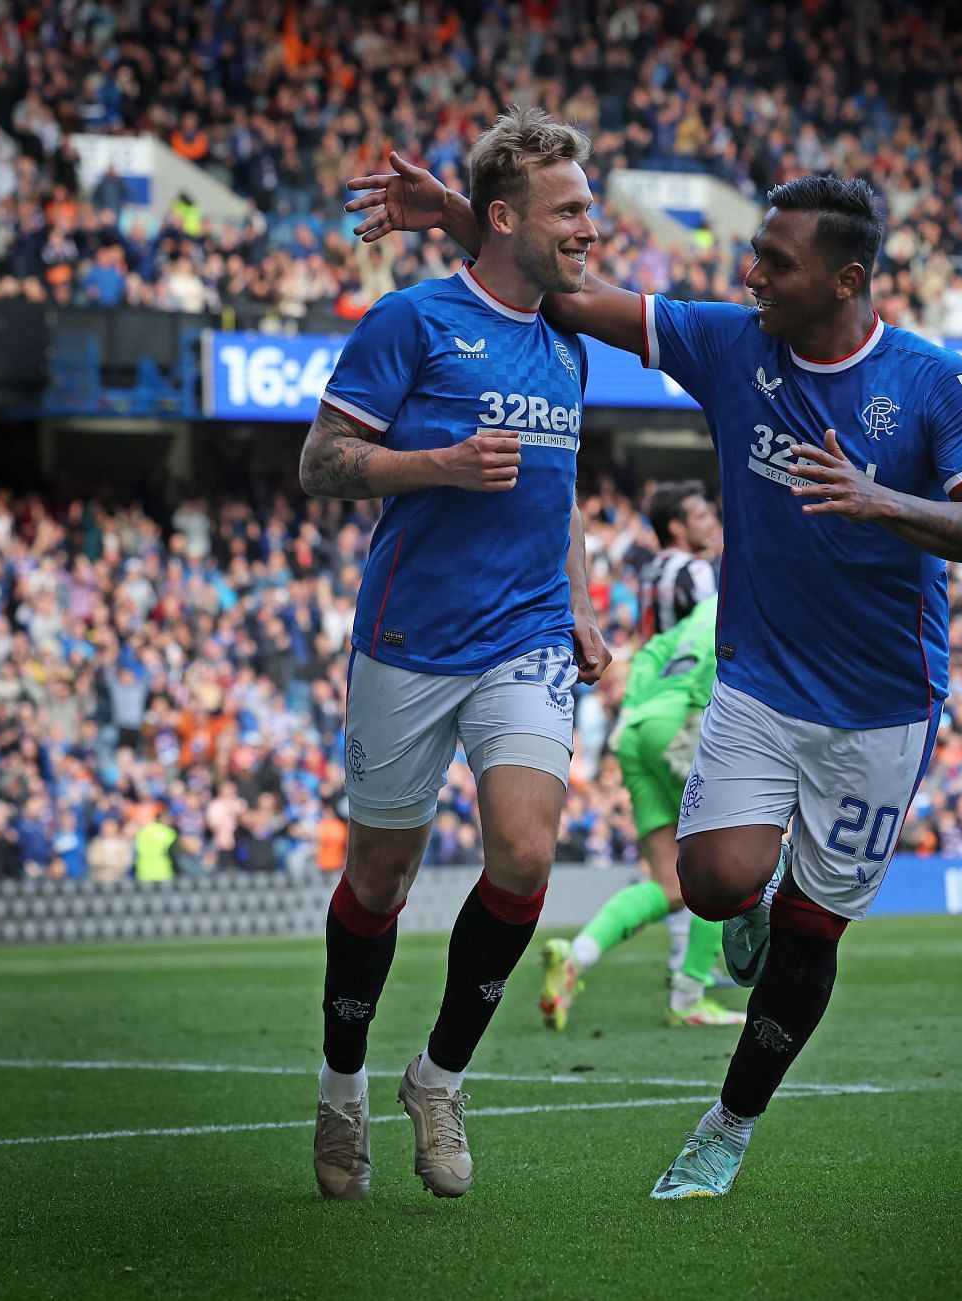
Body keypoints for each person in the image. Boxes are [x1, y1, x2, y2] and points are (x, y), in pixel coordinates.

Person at [348, 157, 962, 1198]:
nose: (751, 271)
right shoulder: (730, 343)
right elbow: (561, 290)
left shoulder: (937, 383)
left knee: (812, 932)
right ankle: (746, 908)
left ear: (846, 282)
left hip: (884, 704)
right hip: (756, 684)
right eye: (754, 249)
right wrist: (453, 216)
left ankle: (728, 1124)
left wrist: (879, 499)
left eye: (777, 261)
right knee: (708, 881)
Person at [300, 107, 608, 1203]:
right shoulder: (411, 320)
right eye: (572, 207)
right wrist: (437, 463)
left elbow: (557, 485)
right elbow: (322, 462)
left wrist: (575, 597)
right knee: (377, 876)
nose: (593, 225)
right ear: (505, 216)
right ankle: (341, 1087)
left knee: (525, 853)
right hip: (409, 639)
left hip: (523, 636)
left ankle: (438, 1077)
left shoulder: (571, 339)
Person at [540, 597, 745, 1030]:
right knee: (722, 865)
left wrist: (633, 708)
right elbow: (725, 650)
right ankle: (688, 997)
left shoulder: (705, 606)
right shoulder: (747, 598)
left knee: (669, 885)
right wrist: (692, 711)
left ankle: (574, 959)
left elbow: (651, 652)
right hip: (682, 723)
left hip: (638, 728)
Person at [637, 480, 720, 637]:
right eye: (702, 517)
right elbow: (711, 632)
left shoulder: (648, 570)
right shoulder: (698, 570)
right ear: (676, 527)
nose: (712, 523)